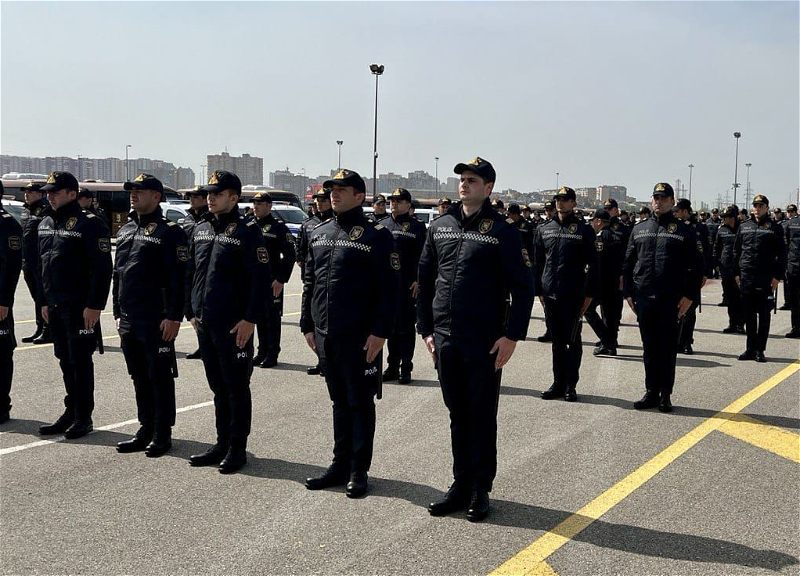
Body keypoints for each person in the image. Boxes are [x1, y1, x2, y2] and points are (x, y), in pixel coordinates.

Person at [417, 157, 534, 522]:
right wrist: (425, 330)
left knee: (481, 414)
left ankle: (480, 487)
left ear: (488, 187)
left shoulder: (503, 231)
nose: (464, 184)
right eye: (462, 179)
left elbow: (523, 288)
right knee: (457, 413)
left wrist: (512, 336)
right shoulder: (440, 225)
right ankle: (460, 483)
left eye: (472, 179)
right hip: (445, 337)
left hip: (484, 339)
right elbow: (425, 280)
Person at [301, 169, 399, 498]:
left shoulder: (377, 235)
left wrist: (381, 332)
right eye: (332, 189)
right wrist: (307, 324)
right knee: (339, 401)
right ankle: (339, 464)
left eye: (342, 190)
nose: (335, 194)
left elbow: (390, 290)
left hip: (359, 336)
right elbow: (310, 281)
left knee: (359, 403)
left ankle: (359, 469)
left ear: (360, 196)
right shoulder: (320, 232)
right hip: (325, 333)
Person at [185, 170, 271, 474]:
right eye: (208, 193)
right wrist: (190, 311)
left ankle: (237, 448)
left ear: (233, 198)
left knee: (236, 387)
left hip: (234, 326)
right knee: (218, 387)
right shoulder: (201, 228)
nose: (210, 198)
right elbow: (192, 271)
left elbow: (260, 280)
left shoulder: (247, 231)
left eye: (217, 194)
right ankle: (221, 443)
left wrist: (250, 319)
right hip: (205, 322)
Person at [113, 174, 188, 457]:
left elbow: (179, 278)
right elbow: (118, 274)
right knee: (138, 376)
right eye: (132, 190)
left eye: (140, 191)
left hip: (156, 318)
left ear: (156, 196)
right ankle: (145, 427)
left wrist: (174, 316)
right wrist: (117, 311)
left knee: (159, 377)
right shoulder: (126, 229)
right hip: (129, 317)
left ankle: (162, 432)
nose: (133, 195)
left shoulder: (170, 232)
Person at [37, 172, 113, 438]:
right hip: (55, 305)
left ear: (72, 194)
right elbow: (42, 265)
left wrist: (94, 306)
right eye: (48, 192)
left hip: (80, 307)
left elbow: (102, 268)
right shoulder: (46, 222)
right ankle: (70, 411)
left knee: (80, 361)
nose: (50, 196)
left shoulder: (89, 223)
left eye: (55, 192)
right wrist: (43, 302)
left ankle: (83, 417)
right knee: (64, 359)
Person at [623, 183, 702, 413]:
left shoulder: (683, 230)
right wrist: (627, 292)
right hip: (644, 297)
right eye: (656, 198)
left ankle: (665, 394)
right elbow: (628, 263)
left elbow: (697, 266)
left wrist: (690, 296)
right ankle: (651, 391)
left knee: (667, 348)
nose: (659, 202)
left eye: (663, 198)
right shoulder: (640, 229)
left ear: (672, 201)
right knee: (649, 347)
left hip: (670, 298)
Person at [533, 187, 598, 401]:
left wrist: (589, 294)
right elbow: (538, 262)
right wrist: (539, 291)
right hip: (550, 294)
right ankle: (557, 383)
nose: (560, 203)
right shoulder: (544, 229)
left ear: (573, 203)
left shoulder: (583, 230)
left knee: (573, 340)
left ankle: (571, 385)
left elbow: (593, 265)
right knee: (557, 341)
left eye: (565, 199)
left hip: (573, 294)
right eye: (558, 199)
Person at [381, 188, 426, 384]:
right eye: (392, 201)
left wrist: (419, 279)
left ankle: (406, 367)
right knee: (390, 328)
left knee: (405, 329)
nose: (394, 204)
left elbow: (425, 256)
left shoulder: (417, 227)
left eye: (399, 201)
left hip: (408, 286)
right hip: (387, 286)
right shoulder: (382, 224)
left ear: (408, 204)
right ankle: (392, 366)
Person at [734, 195, 786, 362]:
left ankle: (760, 350)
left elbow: (782, 254)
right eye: (755, 205)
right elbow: (737, 251)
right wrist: (736, 273)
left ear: (766, 207)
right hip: (747, 275)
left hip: (765, 277)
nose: (757, 208)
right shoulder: (744, 226)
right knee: (748, 314)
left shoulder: (775, 228)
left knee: (763, 314)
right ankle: (749, 348)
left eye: (760, 205)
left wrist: (777, 276)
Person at [250, 192, 296, 368]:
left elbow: (289, 254)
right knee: (258, 318)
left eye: (260, 203)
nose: (256, 207)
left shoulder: (278, 227)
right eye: (254, 203)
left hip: (272, 281)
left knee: (272, 319)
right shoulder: (250, 225)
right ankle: (261, 352)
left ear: (269, 206)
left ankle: (272, 353)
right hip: (254, 281)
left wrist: (281, 279)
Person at [296, 188, 333, 376]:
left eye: (323, 200)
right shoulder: (309, 224)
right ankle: (321, 361)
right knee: (315, 322)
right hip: (313, 279)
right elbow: (301, 247)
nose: (320, 203)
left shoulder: (334, 223)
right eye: (317, 200)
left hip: (330, 282)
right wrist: (301, 261)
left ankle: (328, 362)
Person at [585, 208, 624, 356]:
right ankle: (609, 344)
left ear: (599, 221)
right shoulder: (615, 236)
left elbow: (597, 261)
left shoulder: (600, 237)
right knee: (609, 315)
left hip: (601, 282)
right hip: (614, 281)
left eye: (593, 221)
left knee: (587, 309)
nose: (592, 224)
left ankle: (607, 340)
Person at [0, 182, 23, 424]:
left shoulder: (6, 224)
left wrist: (4, 300)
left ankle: (1, 406)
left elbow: (12, 266)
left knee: (1, 354)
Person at [674, 199, 709, 355]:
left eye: (678, 211)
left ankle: (687, 341)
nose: (675, 213)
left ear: (685, 211)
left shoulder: (699, 228)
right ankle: (676, 341)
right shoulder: (674, 226)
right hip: (677, 274)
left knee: (689, 310)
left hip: (692, 274)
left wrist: (704, 273)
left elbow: (705, 251)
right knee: (675, 309)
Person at [20, 182, 53, 344]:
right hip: (27, 261)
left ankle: (48, 329)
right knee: (36, 297)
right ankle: (40, 327)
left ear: (40, 194)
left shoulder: (46, 210)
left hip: (40, 261)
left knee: (43, 297)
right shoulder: (26, 211)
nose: (26, 194)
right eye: (25, 192)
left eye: (30, 192)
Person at [182, 186, 209, 360]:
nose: (192, 199)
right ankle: (202, 343)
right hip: (188, 267)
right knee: (191, 309)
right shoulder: (188, 218)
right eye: (190, 196)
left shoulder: (209, 218)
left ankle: (206, 345)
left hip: (202, 268)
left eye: (196, 196)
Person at [714, 205, 744, 333]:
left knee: (741, 298)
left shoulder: (743, 228)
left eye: (725, 217)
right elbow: (717, 248)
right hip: (726, 268)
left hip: (740, 269)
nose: (723, 219)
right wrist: (716, 264)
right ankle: (732, 323)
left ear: (732, 218)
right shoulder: (721, 230)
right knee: (730, 298)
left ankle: (741, 324)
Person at [535, 199, 556, 343]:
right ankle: (550, 331)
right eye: (546, 210)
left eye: (550, 209)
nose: (548, 212)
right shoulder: (542, 227)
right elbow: (538, 257)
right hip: (546, 273)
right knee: (547, 307)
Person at [783, 204, 800, 336]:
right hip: (793, 263)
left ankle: (796, 328)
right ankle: (796, 328)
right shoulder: (790, 223)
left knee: (795, 298)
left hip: (793, 263)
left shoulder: (789, 223)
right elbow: (785, 245)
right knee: (794, 298)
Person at [706, 208, 722, 279]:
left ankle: (716, 273)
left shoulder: (720, 221)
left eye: (716, 213)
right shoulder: (707, 221)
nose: (714, 214)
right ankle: (709, 273)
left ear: (718, 214)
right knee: (709, 258)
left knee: (717, 258)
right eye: (713, 213)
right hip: (709, 244)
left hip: (718, 243)